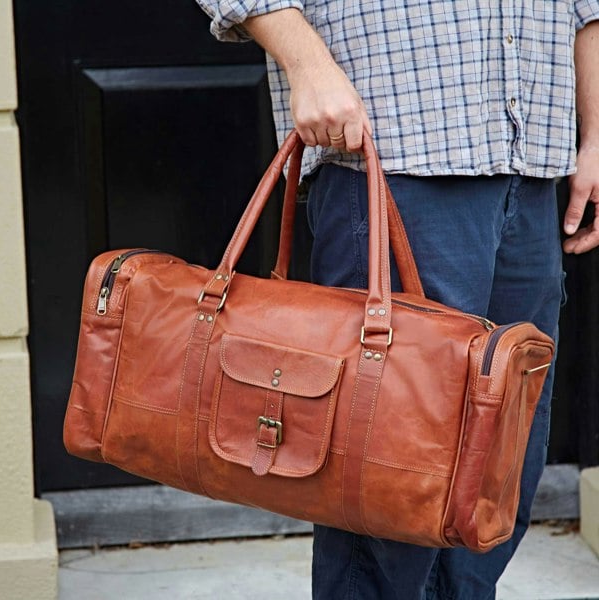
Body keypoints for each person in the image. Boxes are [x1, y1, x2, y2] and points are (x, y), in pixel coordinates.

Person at [196, 2, 599, 598]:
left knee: (497, 472)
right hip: (395, 161)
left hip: (534, 163)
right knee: (388, 483)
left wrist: (595, 132)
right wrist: (307, 66)